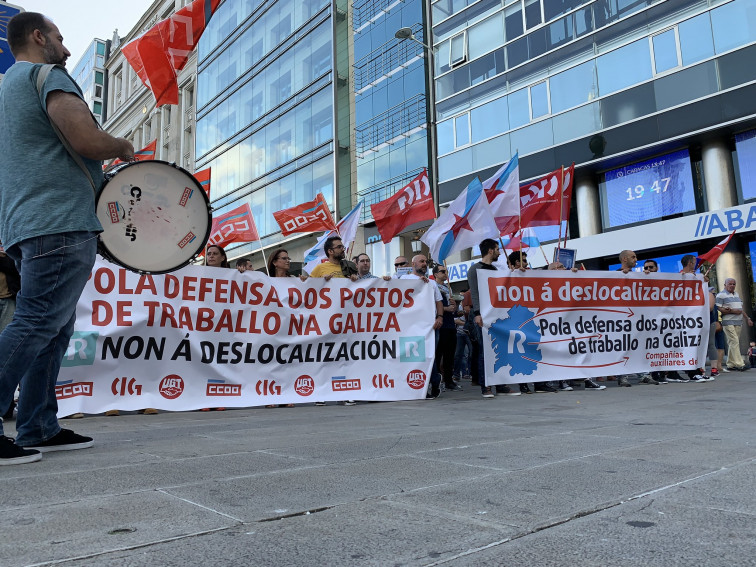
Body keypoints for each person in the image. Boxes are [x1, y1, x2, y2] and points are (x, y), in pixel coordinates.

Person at [0, 13, 135, 465]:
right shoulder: (48, 76)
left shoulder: (5, 88)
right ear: (39, 37)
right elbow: (84, 139)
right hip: (59, 218)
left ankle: (38, 424)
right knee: (39, 320)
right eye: (59, 37)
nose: (67, 48)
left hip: (25, 221)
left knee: (54, 329)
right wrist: (121, 145)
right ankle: (31, 420)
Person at [468, 239, 520, 398]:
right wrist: (477, 313)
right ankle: (486, 386)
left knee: (499, 350)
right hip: (482, 315)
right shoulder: (475, 269)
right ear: (490, 251)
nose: (499, 252)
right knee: (485, 352)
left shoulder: (496, 269)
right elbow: (475, 293)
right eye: (497, 249)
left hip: (497, 316)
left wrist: (512, 274)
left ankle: (501, 385)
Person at [309, 237, 357, 405]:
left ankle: (345, 392)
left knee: (345, 358)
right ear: (330, 251)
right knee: (325, 358)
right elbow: (308, 290)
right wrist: (321, 283)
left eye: (342, 246)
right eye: (338, 247)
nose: (342, 249)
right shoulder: (320, 268)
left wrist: (355, 281)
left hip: (346, 321)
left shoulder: (350, 267)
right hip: (325, 321)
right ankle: (321, 393)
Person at [397, 254, 445, 398]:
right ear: (413, 264)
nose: (424, 264)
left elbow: (439, 302)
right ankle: (430, 381)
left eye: (426, 262)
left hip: (430, 326)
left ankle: (433, 382)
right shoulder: (403, 279)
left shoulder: (432, 283)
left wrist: (440, 317)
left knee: (430, 354)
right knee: (415, 357)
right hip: (410, 326)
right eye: (422, 261)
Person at [201, 244, 230, 411]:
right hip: (204, 326)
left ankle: (219, 397)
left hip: (224, 326)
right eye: (209, 254)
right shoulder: (198, 275)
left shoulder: (233, 276)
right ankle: (204, 399)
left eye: (214, 254)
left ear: (223, 257)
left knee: (221, 361)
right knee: (204, 361)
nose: (210, 256)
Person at [432, 264, 460, 392]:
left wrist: (454, 307)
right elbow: (432, 306)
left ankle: (448, 380)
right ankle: (436, 380)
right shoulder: (432, 287)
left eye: (446, 271)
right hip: (440, 325)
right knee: (438, 354)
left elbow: (453, 311)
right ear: (436, 274)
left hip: (450, 325)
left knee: (450, 355)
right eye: (442, 271)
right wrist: (446, 309)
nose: (445, 274)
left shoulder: (448, 289)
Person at [716, 277, 753, 371]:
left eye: (733, 284)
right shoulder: (721, 295)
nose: (732, 286)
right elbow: (718, 309)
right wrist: (732, 311)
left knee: (733, 342)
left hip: (738, 321)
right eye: (730, 284)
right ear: (725, 285)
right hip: (728, 321)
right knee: (734, 341)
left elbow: (740, 309)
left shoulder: (736, 294)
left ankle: (731, 364)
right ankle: (740, 363)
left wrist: (747, 318)